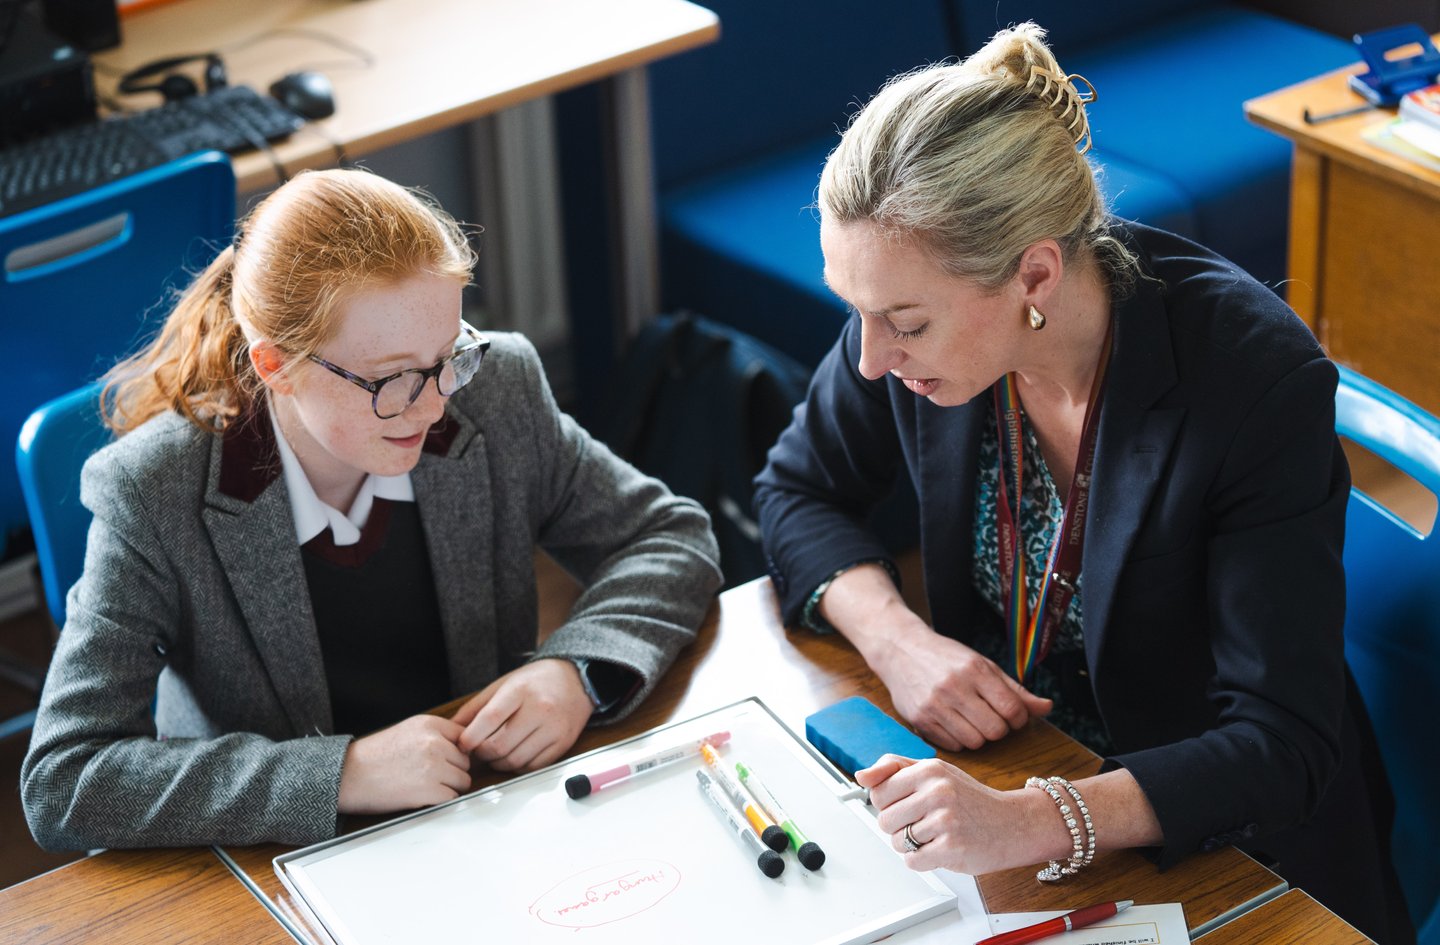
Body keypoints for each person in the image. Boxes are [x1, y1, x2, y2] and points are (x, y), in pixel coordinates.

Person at [753, 23, 1411, 944]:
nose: (869, 359)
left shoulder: (1252, 380)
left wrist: (1028, 820)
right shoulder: (902, 301)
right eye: (856, 312)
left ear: (1035, 274)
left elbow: (1281, 745)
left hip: (1219, 836)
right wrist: (897, 639)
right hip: (1014, 770)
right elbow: (794, 488)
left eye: (903, 323)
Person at [22, 168, 722, 851]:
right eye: (392, 379)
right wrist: (341, 775)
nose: (435, 405)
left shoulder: (494, 391)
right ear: (275, 366)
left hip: (487, 822)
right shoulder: (155, 492)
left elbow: (670, 537)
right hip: (282, 858)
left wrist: (577, 672)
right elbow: (66, 777)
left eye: (448, 355)